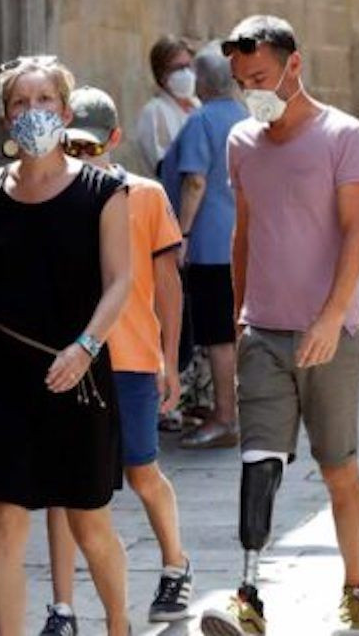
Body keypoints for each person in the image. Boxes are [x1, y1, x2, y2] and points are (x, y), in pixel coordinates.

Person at [200, 16, 359, 636]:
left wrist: (332, 317)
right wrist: (238, 313)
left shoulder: (344, 135)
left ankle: (357, 591)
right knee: (258, 461)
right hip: (264, 333)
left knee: (338, 469)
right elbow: (243, 232)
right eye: (242, 82)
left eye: (261, 77)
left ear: (294, 65)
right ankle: (249, 596)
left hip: (330, 335)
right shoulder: (242, 142)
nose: (253, 91)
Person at [0, 56, 132, 636]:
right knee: (3, 518)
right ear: (6, 118)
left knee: (88, 520)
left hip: (78, 376)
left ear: (66, 111)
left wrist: (84, 348)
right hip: (4, 377)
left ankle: (119, 626)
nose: (33, 113)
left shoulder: (104, 191)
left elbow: (120, 281)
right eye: (21, 104)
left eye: (44, 101)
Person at [39, 86, 190, 634]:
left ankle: (176, 563)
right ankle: (62, 606)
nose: (79, 157)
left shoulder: (144, 195)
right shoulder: (47, 193)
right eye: (70, 147)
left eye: (88, 146)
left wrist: (171, 361)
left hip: (128, 356)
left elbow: (168, 284)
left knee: (141, 468)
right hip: (67, 358)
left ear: (113, 141)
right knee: (62, 485)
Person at [158, 42, 249, 450]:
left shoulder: (202, 121)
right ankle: (229, 410)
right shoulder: (246, 118)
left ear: (203, 81)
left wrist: (183, 234)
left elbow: (194, 181)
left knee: (216, 334)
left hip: (210, 245)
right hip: (241, 239)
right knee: (231, 330)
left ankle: (225, 417)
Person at [134, 35, 199, 177]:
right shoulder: (153, 112)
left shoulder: (199, 107)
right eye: (178, 68)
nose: (186, 73)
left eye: (188, 66)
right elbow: (161, 166)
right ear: (162, 74)